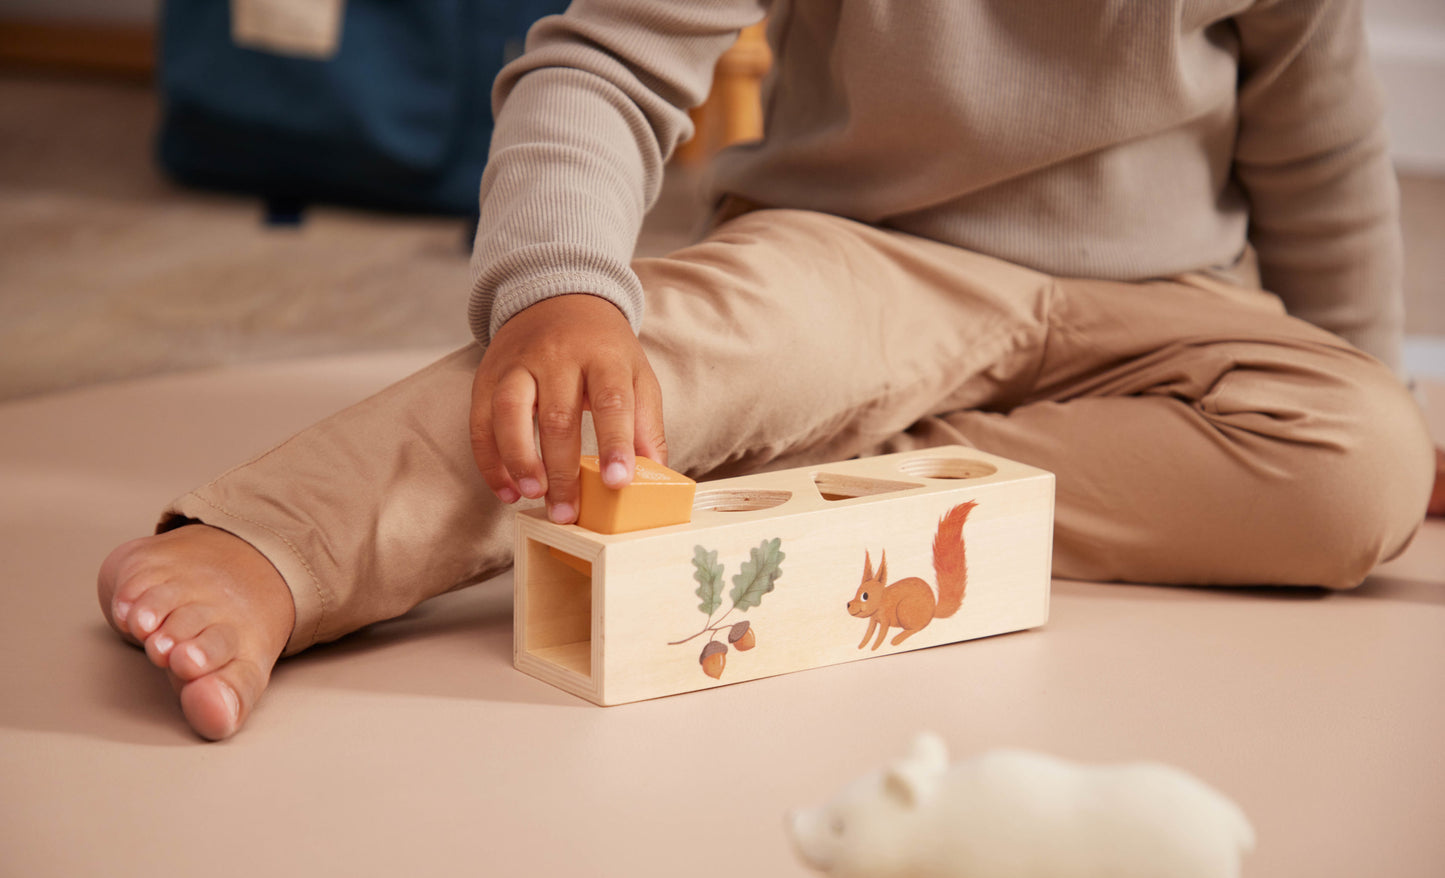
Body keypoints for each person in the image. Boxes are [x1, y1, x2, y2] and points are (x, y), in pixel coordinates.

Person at [98, 1, 1440, 741]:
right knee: (645, 367)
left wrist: (1371, 379)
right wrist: (558, 291)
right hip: (865, 259)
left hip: (1161, 302)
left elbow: (1320, 166)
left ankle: (802, 452)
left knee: (1354, 465)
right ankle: (279, 542)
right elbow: (603, 66)